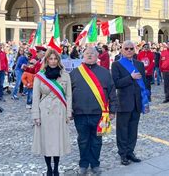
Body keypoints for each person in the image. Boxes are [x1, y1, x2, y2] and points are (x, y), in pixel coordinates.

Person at [70, 47, 117, 175]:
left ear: (97, 56)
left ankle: (95, 164)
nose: (89, 55)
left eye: (92, 53)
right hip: (80, 114)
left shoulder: (105, 72)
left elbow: (112, 93)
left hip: (100, 114)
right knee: (83, 140)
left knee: (97, 141)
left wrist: (112, 111)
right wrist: (69, 111)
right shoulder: (74, 73)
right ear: (83, 56)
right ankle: (83, 164)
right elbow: (68, 94)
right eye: (87, 53)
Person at [32, 48, 72, 176]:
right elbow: (35, 97)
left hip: (60, 110)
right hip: (45, 112)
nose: (53, 61)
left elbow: (69, 96)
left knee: (57, 141)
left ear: (58, 60)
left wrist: (68, 113)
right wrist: (36, 116)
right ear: (47, 60)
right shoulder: (40, 75)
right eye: (50, 59)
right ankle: (49, 168)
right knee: (47, 142)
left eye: (55, 59)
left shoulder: (65, 75)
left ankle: (56, 168)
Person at [111, 40, 150, 166]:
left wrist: (146, 101)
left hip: (137, 102)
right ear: (121, 50)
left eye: (131, 48)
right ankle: (123, 154)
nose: (129, 51)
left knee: (133, 129)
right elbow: (116, 83)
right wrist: (130, 78)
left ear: (135, 50)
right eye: (126, 48)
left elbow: (144, 83)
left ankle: (130, 152)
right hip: (123, 103)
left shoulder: (139, 64)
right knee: (122, 130)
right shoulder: (116, 64)